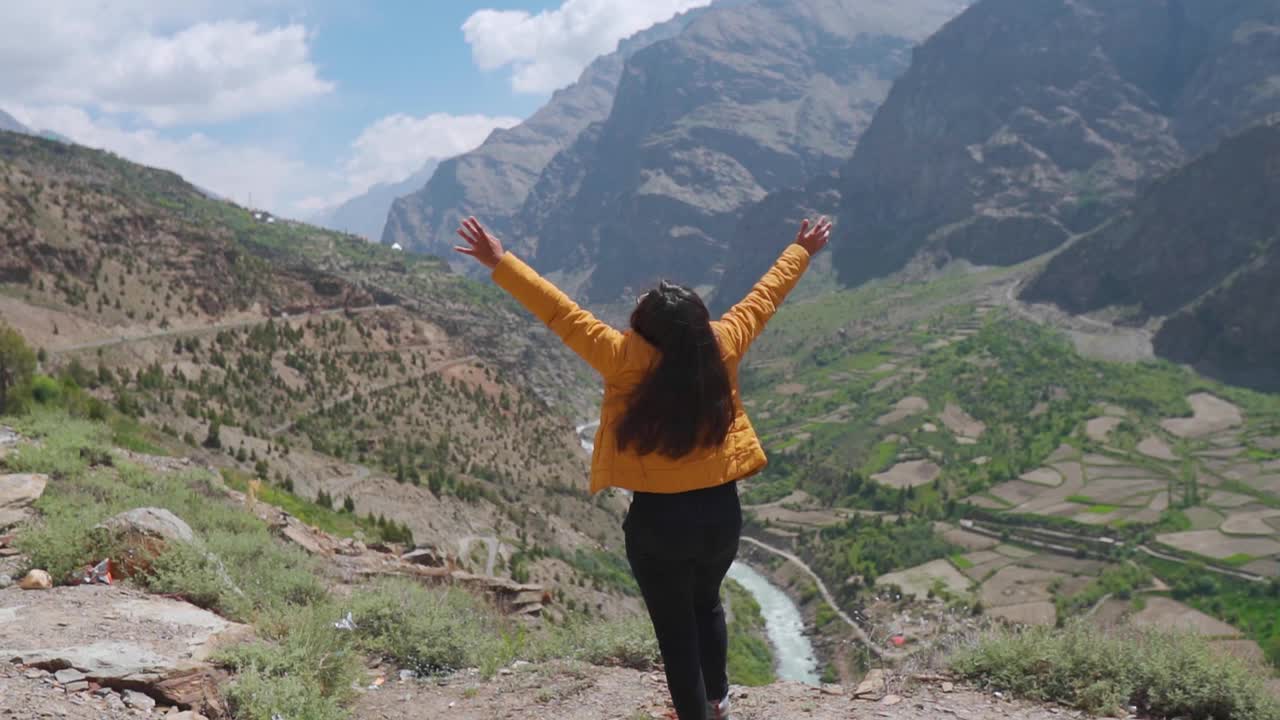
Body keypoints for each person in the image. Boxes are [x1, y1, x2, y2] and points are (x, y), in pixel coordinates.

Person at [455, 215, 831, 720]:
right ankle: (718, 701)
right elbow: (764, 297)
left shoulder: (619, 356)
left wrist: (499, 261)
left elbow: (559, 311)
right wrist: (800, 250)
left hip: (659, 522)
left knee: (676, 630)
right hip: (721, 512)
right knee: (707, 604)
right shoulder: (722, 343)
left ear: (646, 329)